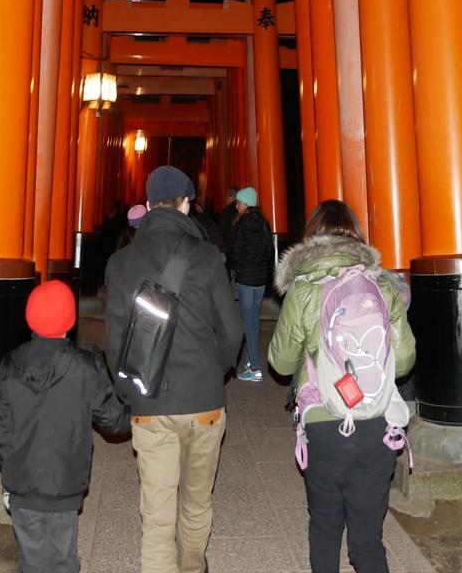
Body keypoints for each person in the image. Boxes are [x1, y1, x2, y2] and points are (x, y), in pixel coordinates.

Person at [104, 166, 244, 573]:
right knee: (197, 502)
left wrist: (130, 390)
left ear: (148, 206)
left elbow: (114, 344)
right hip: (203, 401)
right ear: (186, 204)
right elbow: (232, 332)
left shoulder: (120, 262)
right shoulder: (207, 257)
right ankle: (191, 565)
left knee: (157, 514)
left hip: (149, 402)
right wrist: (212, 373)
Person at [267, 200, 415, 573]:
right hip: (377, 424)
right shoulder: (382, 284)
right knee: (368, 541)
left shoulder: (303, 289)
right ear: (357, 237)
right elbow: (407, 358)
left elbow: (280, 363)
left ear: (311, 238)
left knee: (325, 528)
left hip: (324, 423)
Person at [0, 280, 131, 573]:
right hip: (66, 483)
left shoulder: (9, 364)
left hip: (23, 484)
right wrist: (137, 408)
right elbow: (113, 421)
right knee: (64, 558)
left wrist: (12, 466)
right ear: (69, 320)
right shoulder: (86, 366)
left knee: (32, 560)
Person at [227, 186, 273, 382]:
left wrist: (239, 267)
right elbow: (270, 251)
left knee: (249, 323)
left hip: (246, 280)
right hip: (260, 280)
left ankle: (255, 367)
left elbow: (235, 252)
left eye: (238, 202)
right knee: (253, 321)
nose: (236, 206)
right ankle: (249, 361)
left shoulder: (241, 224)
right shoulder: (264, 223)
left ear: (245, 203)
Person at [217, 186, 240, 253]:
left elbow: (221, 233)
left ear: (232, 198)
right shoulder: (242, 211)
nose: (225, 200)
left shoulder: (226, 212)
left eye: (226, 197)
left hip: (228, 250)